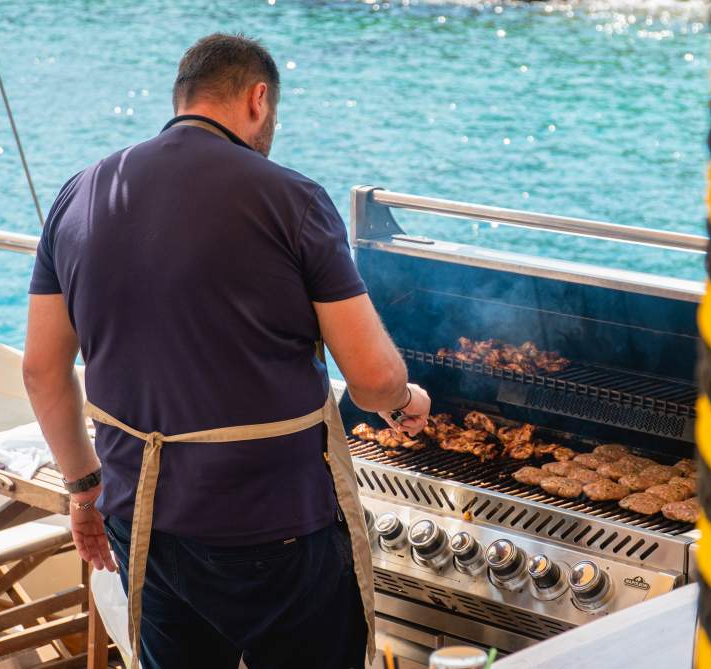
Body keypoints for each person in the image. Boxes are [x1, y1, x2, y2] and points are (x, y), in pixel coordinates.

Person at [22, 32, 430, 669]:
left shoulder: (78, 193)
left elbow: (42, 370)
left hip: (144, 518)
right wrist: (406, 397)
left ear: (181, 97)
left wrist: (83, 490)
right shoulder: (291, 198)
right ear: (258, 99)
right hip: (277, 527)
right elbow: (373, 378)